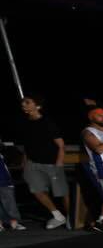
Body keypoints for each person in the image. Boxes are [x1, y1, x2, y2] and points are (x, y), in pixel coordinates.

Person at [17, 96, 69, 229]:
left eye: (27, 102)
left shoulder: (47, 122)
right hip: (32, 163)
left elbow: (61, 145)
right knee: (37, 191)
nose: (24, 104)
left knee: (61, 192)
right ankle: (58, 216)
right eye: (23, 102)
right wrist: (24, 163)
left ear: (37, 106)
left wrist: (59, 163)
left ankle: (72, 217)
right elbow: (27, 147)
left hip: (51, 163)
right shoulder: (24, 124)